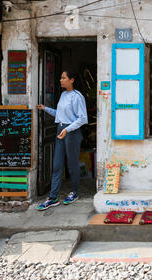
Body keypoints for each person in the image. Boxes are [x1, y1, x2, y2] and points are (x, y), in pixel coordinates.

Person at [36, 70, 88, 210]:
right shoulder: (64, 95)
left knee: (72, 164)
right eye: (61, 77)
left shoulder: (77, 97)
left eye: (63, 77)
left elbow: (82, 118)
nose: (60, 80)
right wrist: (45, 108)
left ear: (72, 80)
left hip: (72, 132)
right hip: (61, 130)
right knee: (57, 165)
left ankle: (74, 192)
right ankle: (53, 198)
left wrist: (67, 130)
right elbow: (59, 114)